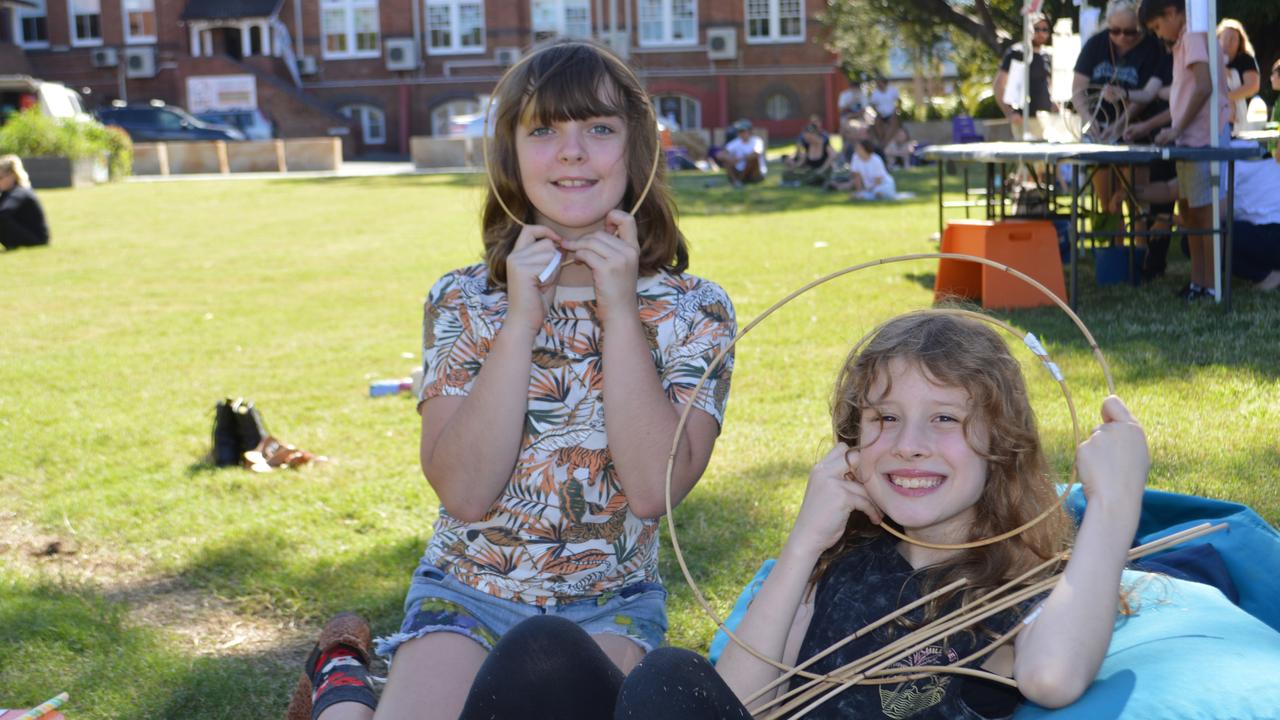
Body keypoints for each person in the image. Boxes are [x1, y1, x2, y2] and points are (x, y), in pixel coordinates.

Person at [284, 40, 737, 720]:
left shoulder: (695, 309)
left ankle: (347, 690)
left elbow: (652, 490)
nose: (573, 152)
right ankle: (342, 682)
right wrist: (521, 319)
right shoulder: (463, 300)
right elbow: (465, 493)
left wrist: (618, 310)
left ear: (637, 151)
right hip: (466, 592)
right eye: (544, 129)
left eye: (600, 128)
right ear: (510, 155)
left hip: (608, 604)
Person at [459, 310, 1150, 719]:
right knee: (543, 651)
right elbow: (736, 701)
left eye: (944, 418)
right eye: (884, 419)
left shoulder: (1014, 586)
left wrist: (1115, 505)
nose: (909, 444)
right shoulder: (844, 565)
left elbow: (1053, 678)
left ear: (1000, 446)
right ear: (851, 442)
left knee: (668, 679)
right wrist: (805, 544)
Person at [1142, 0, 1233, 301]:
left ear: (1171, 13)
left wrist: (1177, 129)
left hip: (1202, 138)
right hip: (1190, 139)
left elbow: (1204, 86)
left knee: (1203, 216)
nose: (1158, 35)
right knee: (1190, 212)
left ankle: (1209, 285)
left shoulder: (1193, 35)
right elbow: (1187, 94)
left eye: (1157, 27)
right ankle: (1198, 282)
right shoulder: (1184, 39)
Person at [994, 13, 1057, 140]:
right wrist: (1010, 113)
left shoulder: (1048, 55)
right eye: (1036, 28)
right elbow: (999, 85)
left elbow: (1049, 85)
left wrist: (1055, 105)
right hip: (1023, 120)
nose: (1040, 33)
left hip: (1045, 120)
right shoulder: (1017, 52)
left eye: (1044, 29)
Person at [1215, 19, 1260, 129]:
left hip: (1241, 119)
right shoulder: (1211, 59)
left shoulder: (1245, 59)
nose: (1228, 42)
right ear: (1218, 39)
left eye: (1233, 39)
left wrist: (1226, 98)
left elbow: (1252, 87)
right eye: (1225, 38)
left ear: (1240, 42)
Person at [0, 155, 50, 251]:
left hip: (37, 240)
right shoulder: (7, 193)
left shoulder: (20, 192)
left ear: (13, 175)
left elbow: (3, 213)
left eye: (0, 177)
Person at [781, 122, 835, 187]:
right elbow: (802, 161)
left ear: (814, 135)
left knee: (817, 176)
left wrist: (822, 169)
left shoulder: (825, 143)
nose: (806, 140)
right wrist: (794, 166)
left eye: (808, 138)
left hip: (823, 172)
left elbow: (833, 155)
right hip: (811, 172)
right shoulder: (807, 145)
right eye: (805, 138)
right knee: (787, 174)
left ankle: (805, 182)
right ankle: (802, 181)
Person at [716, 120, 766, 187]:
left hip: (755, 173)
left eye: (743, 131)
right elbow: (719, 155)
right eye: (739, 131)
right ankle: (736, 181)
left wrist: (741, 159)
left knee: (752, 160)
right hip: (739, 171)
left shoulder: (756, 141)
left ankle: (740, 180)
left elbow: (756, 154)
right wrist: (730, 159)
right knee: (727, 162)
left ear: (750, 132)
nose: (741, 133)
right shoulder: (735, 142)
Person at [868, 76, 901, 145]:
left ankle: (884, 142)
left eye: (879, 82)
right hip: (880, 114)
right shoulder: (875, 93)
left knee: (893, 123)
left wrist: (896, 111)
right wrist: (878, 112)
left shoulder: (892, 90)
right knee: (876, 123)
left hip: (892, 113)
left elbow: (899, 101)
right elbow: (873, 105)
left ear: (884, 83)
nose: (878, 84)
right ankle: (881, 139)